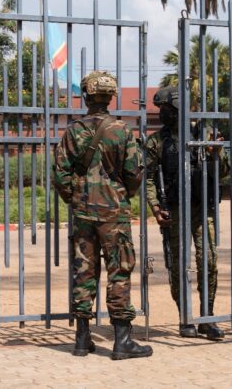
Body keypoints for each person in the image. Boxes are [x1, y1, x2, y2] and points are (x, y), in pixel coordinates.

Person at [53, 71, 152, 360]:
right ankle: (123, 341)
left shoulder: (73, 131)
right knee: (119, 271)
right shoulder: (121, 131)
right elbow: (135, 173)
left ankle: (82, 339)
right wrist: (121, 195)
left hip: (83, 212)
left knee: (84, 271)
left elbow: (60, 173)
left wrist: (75, 198)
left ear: (85, 95)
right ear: (110, 97)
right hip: (114, 212)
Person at [145, 86, 229, 340]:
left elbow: (223, 172)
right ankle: (186, 318)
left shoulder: (204, 136)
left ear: (179, 110)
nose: (162, 114)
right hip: (174, 210)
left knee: (210, 262)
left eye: (167, 109)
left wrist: (216, 154)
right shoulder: (156, 141)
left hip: (203, 209)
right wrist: (155, 207)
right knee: (178, 265)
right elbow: (148, 177)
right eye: (161, 109)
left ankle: (207, 317)